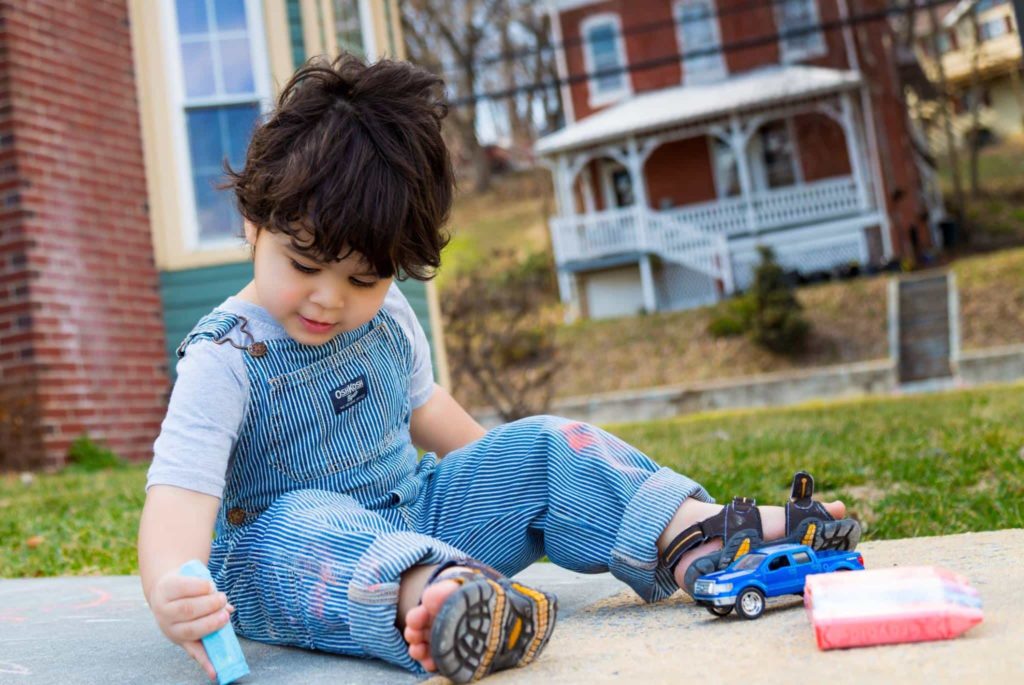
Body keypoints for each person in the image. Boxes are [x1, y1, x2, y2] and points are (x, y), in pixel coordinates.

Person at [138, 54, 860, 684]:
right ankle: (446, 599)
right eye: (303, 265)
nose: (330, 298)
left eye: (363, 279)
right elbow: (176, 501)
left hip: (413, 512)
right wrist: (175, 585)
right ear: (254, 225)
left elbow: (435, 416)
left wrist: (524, 479)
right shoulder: (227, 356)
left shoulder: (386, 320)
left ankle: (696, 533)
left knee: (543, 442)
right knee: (306, 518)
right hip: (288, 558)